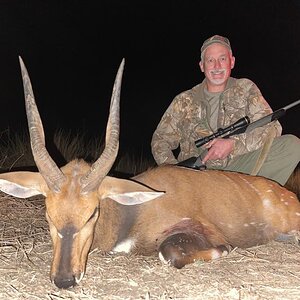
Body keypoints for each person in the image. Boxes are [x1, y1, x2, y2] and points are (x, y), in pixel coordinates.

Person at [151, 34, 300, 186]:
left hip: (237, 169)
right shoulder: (183, 100)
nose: (217, 66)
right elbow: (160, 140)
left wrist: (233, 145)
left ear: (232, 62)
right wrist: (174, 173)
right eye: (210, 60)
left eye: (222, 59)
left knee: (292, 146)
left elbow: (273, 128)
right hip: (194, 175)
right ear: (202, 66)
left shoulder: (246, 88)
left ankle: (250, 199)